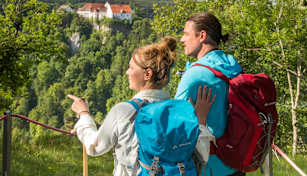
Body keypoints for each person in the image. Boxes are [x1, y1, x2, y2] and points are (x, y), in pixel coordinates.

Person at [68, 37, 215, 176]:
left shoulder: (124, 111)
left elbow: (95, 147)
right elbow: (202, 155)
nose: (127, 72)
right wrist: (201, 120)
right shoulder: (180, 112)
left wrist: (84, 114)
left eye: (131, 68)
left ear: (147, 74)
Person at [175, 12, 243, 176]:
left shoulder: (194, 75)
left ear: (202, 36)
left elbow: (175, 127)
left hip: (206, 166)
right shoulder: (232, 66)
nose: (182, 40)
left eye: (186, 34)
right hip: (234, 164)